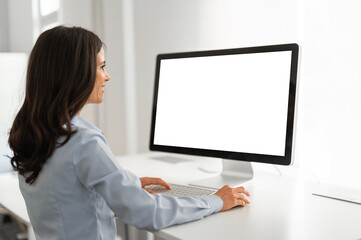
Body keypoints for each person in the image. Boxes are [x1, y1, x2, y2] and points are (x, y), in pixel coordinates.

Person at [8, 26, 250, 239]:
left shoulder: (35, 133)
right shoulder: (83, 141)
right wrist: (215, 201)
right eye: (102, 66)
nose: (107, 76)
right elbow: (147, 212)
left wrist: (127, 185)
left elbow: (69, 195)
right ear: (75, 74)